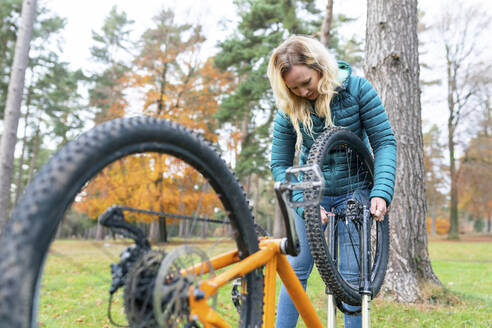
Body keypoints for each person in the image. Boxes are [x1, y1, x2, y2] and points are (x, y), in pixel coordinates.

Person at [267, 35, 396, 327]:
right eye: (294, 87)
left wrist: (381, 191)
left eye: (307, 82)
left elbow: (385, 142)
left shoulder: (357, 89)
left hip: (355, 190)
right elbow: (279, 163)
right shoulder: (289, 107)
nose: (304, 91)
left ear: (320, 67)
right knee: (296, 268)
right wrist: (302, 205)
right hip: (312, 193)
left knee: (352, 275)